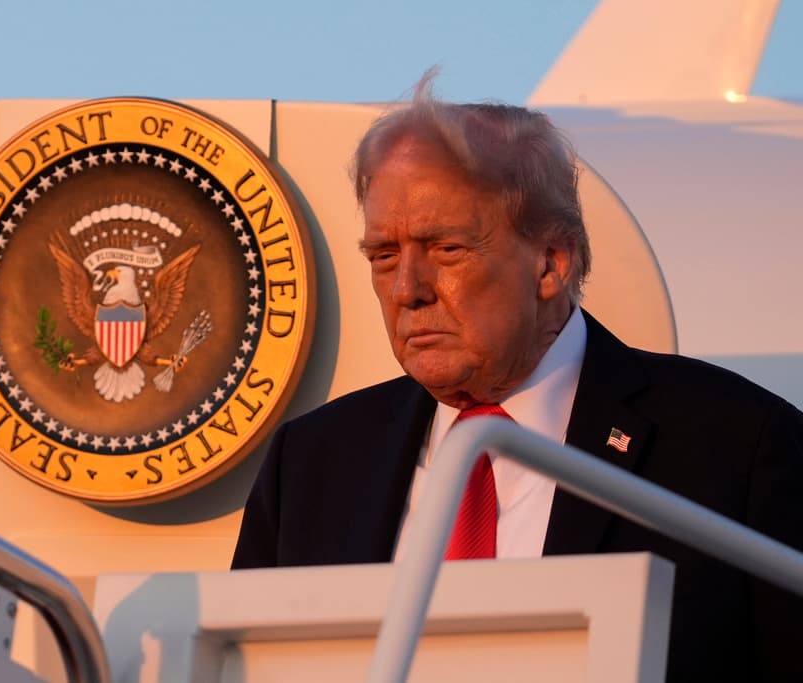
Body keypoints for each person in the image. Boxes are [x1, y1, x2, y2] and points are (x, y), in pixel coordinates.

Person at [231, 75, 803, 680]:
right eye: (383, 255)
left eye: (446, 249)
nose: (407, 290)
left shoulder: (739, 447)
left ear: (552, 262)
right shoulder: (313, 462)